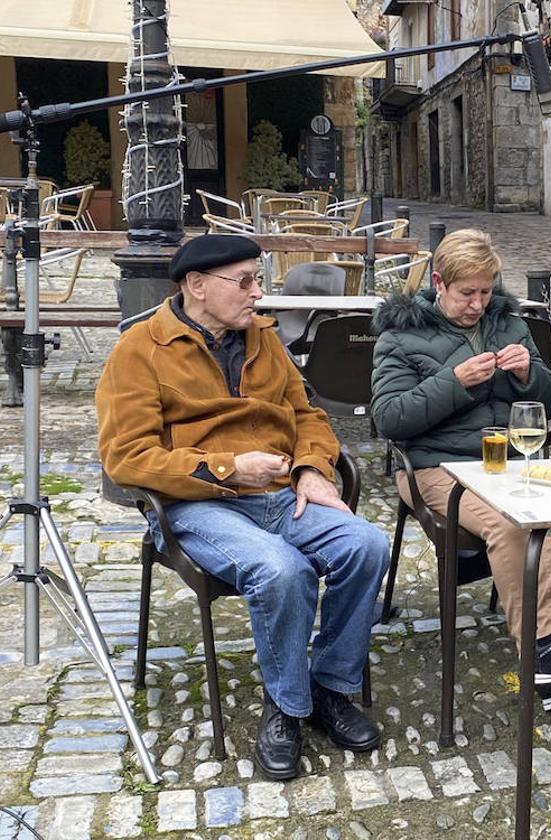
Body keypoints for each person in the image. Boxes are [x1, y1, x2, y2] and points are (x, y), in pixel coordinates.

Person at [96, 234, 389, 781]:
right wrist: (227, 468)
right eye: (246, 281)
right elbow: (126, 458)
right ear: (197, 286)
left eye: (258, 279)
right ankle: (286, 706)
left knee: (367, 544)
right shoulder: (140, 350)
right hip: (195, 505)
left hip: (278, 493)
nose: (258, 293)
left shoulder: (264, 339)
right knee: (281, 570)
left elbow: (307, 415)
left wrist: (310, 469)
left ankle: (329, 688)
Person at [370, 228, 551, 712]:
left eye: (485, 290)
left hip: (507, 461)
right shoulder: (401, 334)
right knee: (508, 520)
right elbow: (389, 419)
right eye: (466, 293)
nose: (478, 304)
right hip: (437, 467)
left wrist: (527, 374)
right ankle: (541, 653)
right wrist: (452, 382)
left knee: (547, 516)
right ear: (439, 282)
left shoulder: (508, 323)